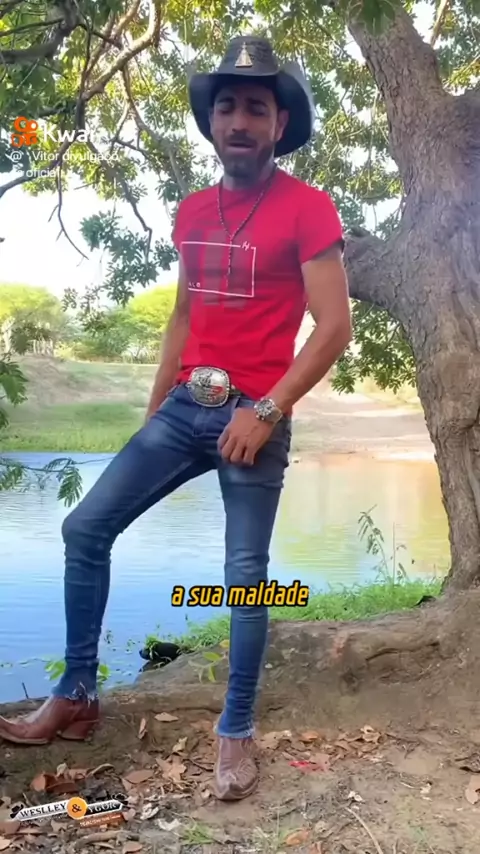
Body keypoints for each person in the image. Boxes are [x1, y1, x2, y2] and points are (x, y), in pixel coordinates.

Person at [0, 34, 352, 801]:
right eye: (227, 106)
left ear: (279, 123)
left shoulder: (308, 208)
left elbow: (333, 328)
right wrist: (156, 404)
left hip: (256, 417)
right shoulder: (190, 211)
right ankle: (77, 694)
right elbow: (185, 314)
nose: (239, 121)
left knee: (246, 578)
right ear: (212, 120)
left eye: (255, 108)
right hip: (189, 404)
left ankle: (235, 729)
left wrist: (268, 411)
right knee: (84, 528)